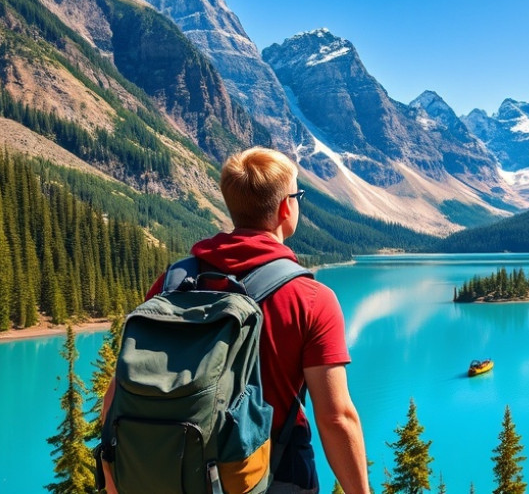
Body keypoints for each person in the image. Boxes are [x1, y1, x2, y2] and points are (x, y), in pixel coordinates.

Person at [102, 147, 369, 494]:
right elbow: (336, 419)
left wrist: (114, 480)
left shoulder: (174, 282)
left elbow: (119, 390)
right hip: (272, 477)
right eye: (298, 195)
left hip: (176, 473)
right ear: (286, 206)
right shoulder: (311, 298)